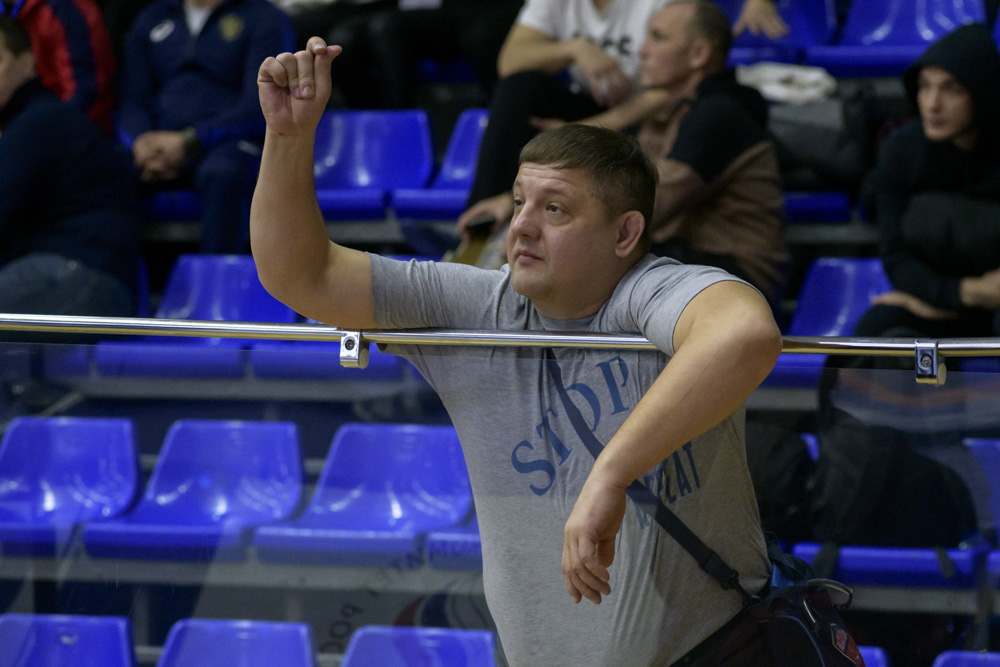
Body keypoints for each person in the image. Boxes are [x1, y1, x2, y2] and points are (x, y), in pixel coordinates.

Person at [254, 37, 783, 665]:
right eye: (519, 202)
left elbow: (744, 336)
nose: (522, 226)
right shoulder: (476, 305)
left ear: (626, 233)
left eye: (554, 208)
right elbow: (301, 275)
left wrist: (608, 476)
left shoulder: (658, 288)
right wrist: (288, 138)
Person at [523, 1, 788, 303]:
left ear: (699, 54)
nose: (642, 51)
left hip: (735, 276)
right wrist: (516, 204)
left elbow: (650, 204)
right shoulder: (665, 111)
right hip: (682, 255)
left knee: (578, 257)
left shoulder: (721, 114)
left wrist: (557, 224)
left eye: (658, 37)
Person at [456, 0, 671, 236]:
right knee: (518, 88)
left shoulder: (661, 5)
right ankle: (482, 225)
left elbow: (679, 89)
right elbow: (510, 62)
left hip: (648, 117)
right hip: (593, 105)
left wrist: (578, 131)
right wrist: (575, 48)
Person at [855, 21, 1000, 341]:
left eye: (952, 89)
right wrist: (961, 293)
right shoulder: (902, 150)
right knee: (879, 327)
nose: (932, 104)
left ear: (982, 94)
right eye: (924, 86)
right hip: (939, 300)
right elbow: (896, 256)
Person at [118, 0, 293, 253]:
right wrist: (139, 143)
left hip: (228, 141)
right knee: (107, 171)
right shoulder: (151, 17)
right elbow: (132, 100)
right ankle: (117, 286)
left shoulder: (264, 17)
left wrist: (191, 139)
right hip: (159, 146)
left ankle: (218, 284)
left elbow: (261, 105)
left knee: (223, 173)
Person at [0, 17, 140, 320]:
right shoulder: (25, 123)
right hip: (55, 270)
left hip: (85, 273)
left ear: (27, 62)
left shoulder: (38, 124)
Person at [2, 0, 116, 132]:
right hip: (27, 125)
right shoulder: (8, 10)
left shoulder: (63, 7)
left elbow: (87, 88)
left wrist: (39, 133)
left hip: (76, 133)